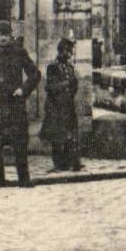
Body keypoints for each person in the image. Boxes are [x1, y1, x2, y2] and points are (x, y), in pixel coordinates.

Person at [0, 19, 40, 187]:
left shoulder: (19, 53)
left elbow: (35, 74)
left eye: (6, 34)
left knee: (20, 142)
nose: (3, 38)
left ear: (11, 36)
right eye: (0, 34)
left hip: (14, 103)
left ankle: (24, 178)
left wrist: (23, 89)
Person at [41, 37, 82, 172]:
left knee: (71, 134)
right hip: (55, 107)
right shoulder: (52, 67)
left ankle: (71, 161)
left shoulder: (70, 67)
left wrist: (72, 87)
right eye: (66, 51)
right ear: (60, 50)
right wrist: (66, 84)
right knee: (57, 136)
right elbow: (50, 86)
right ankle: (58, 164)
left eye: (70, 51)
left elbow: (74, 87)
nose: (69, 54)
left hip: (67, 105)